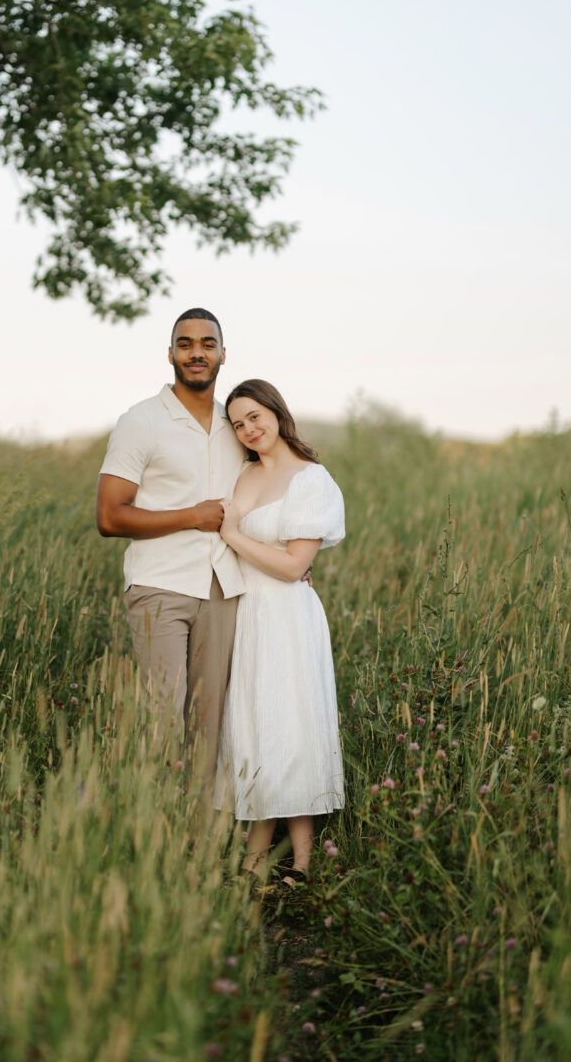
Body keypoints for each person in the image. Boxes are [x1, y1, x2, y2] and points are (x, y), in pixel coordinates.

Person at [95, 308, 245, 779]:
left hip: (222, 590)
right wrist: (192, 516)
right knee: (161, 723)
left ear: (223, 354)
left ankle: (197, 846)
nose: (196, 352)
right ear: (170, 353)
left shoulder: (237, 427)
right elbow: (109, 516)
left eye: (206, 343)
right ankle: (150, 838)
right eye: (185, 344)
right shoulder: (141, 421)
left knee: (209, 728)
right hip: (160, 586)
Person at [214, 379, 345, 886]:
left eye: (255, 416)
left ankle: (304, 865)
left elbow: (293, 567)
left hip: (287, 616)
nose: (249, 429)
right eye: (238, 423)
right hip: (246, 613)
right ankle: (253, 859)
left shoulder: (311, 480)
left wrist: (231, 533)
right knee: (253, 729)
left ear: (275, 411)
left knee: (292, 726)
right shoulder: (242, 476)